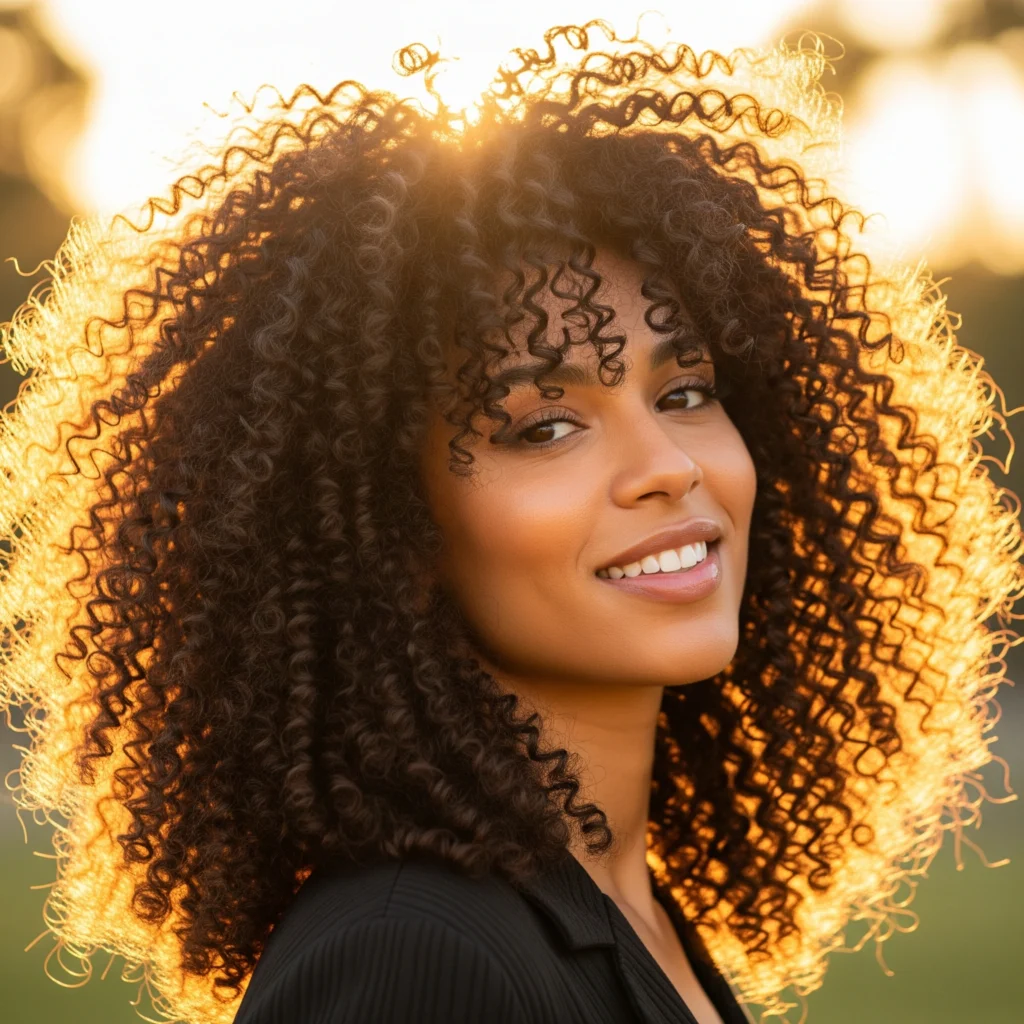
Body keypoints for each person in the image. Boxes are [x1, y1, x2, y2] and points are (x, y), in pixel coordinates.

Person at [0, 19, 1019, 1024]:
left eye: (683, 394)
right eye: (546, 426)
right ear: (388, 529)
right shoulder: (409, 961)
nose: (666, 467)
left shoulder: (622, 904)